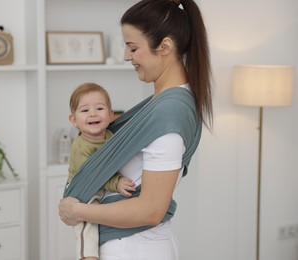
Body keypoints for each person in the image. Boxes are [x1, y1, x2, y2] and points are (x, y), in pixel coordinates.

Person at [59, 0, 213, 259]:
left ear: (164, 47)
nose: (126, 56)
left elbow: (150, 210)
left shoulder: (169, 112)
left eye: (133, 47)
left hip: (136, 248)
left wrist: (78, 211)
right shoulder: (160, 105)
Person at [67, 82, 136, 260]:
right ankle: (87, 256)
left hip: (101, 187)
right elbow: (92, 176)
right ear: (73, 120)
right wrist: (116, 182)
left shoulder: (110, 136)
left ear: (111, 115)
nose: (93, 114)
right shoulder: (81, 147)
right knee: (87, 225)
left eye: (99, 108)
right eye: (84, 110)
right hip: (83, 191)